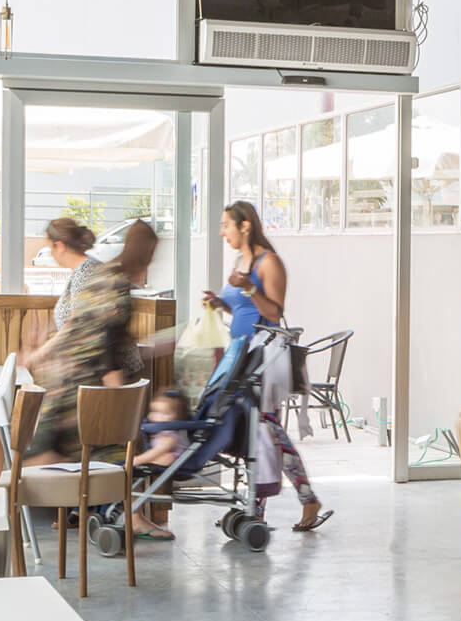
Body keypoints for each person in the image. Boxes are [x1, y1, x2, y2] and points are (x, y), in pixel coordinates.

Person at [202, 201, 329, 532]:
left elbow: (272, 312)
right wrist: (220, 303)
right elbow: (242, 308)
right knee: (257, 431)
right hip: (242, 354)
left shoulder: (268, 262)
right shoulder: (239, 261)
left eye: (226, 224)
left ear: (245, 226)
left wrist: (248, 287)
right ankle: (267, 506)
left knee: (266, 427)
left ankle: (287, 501)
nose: (221, 231)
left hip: (264, 356)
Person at [28, 221, 158, 466]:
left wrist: (119, 406)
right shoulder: (111, 279)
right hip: (81, 388)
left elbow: (103, 347)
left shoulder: (98, 274)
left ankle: (77, 499)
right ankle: (79, 498)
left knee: (37, 456)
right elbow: (100, 341)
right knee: (42, 456)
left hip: (78, 389)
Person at [126, 388, 190, 541]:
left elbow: (159, 452)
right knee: (130, 480)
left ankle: (136, 461)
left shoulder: (171, 437)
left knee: (163, 455)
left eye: (164, 413)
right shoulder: (162, 433)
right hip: (162, 459)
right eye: (154, 411)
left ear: (177, 418)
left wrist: (138, 460)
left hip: (174, 460)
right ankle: (134, 519)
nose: (157, 417)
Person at [43, 217, 102, 329]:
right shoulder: (85, 268)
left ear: (60, 246)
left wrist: (47, 346)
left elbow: (76, 325)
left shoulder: (85, 271)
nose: (50, 253)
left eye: (50, 248)